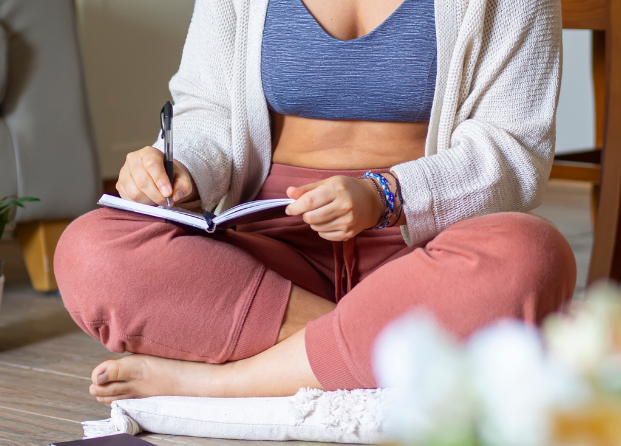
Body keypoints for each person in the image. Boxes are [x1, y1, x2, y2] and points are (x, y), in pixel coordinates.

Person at [54, 0, 576, 406]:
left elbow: (514, 147)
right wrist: (180, 167)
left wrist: (387, 194)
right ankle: (377, 346)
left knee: (533, 254)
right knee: (88, 251)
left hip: (423, 245)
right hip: (273, 250)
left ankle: (229, 383)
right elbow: (207, 111)